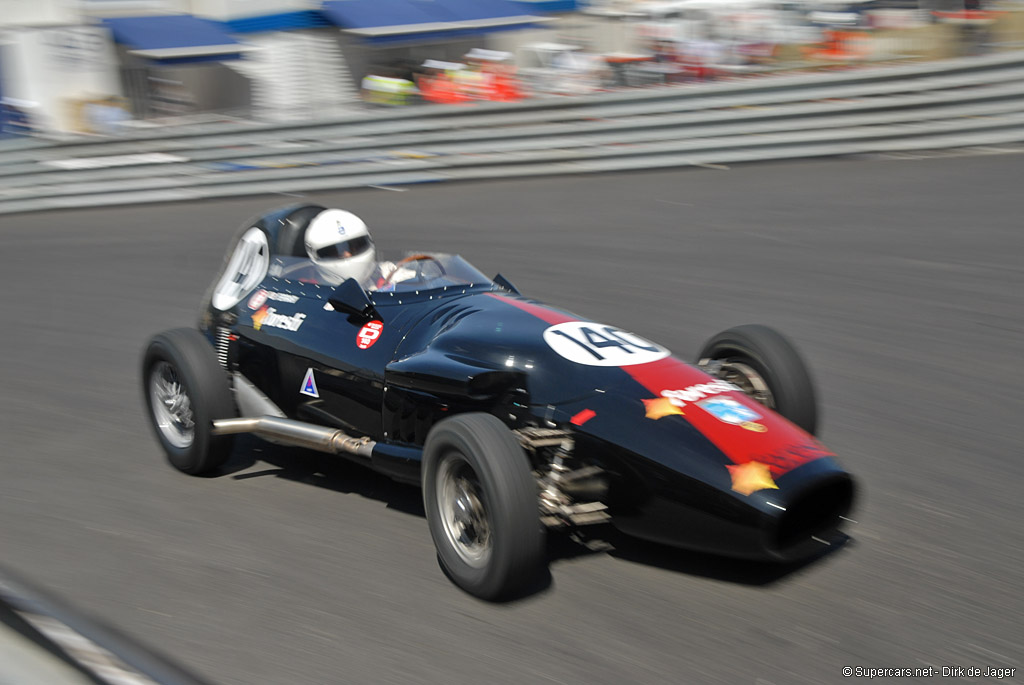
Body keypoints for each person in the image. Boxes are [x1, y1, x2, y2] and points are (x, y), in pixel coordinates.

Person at [303, 208, 413, 289]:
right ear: (314, 255)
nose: (347, 255)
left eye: (354, 247)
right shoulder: (307, 292)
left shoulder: (389, 274)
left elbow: (421, 283)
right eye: (335, 252)